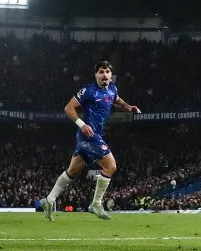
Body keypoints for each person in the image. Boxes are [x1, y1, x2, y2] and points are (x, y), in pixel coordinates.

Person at [39, 60, 141, 220]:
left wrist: (129, 107)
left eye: (107, 71)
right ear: (96, 75)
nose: (105, 75)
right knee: (111, 166)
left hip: (94, 136)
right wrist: (82, 124)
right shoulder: (88, 90)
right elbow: (68, 108)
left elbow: (117, 100)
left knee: (72, 172)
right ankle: (96, 203)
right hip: (89, 136)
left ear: (111, 75)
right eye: (101, 71)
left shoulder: (112, 89)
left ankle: (49, 200)